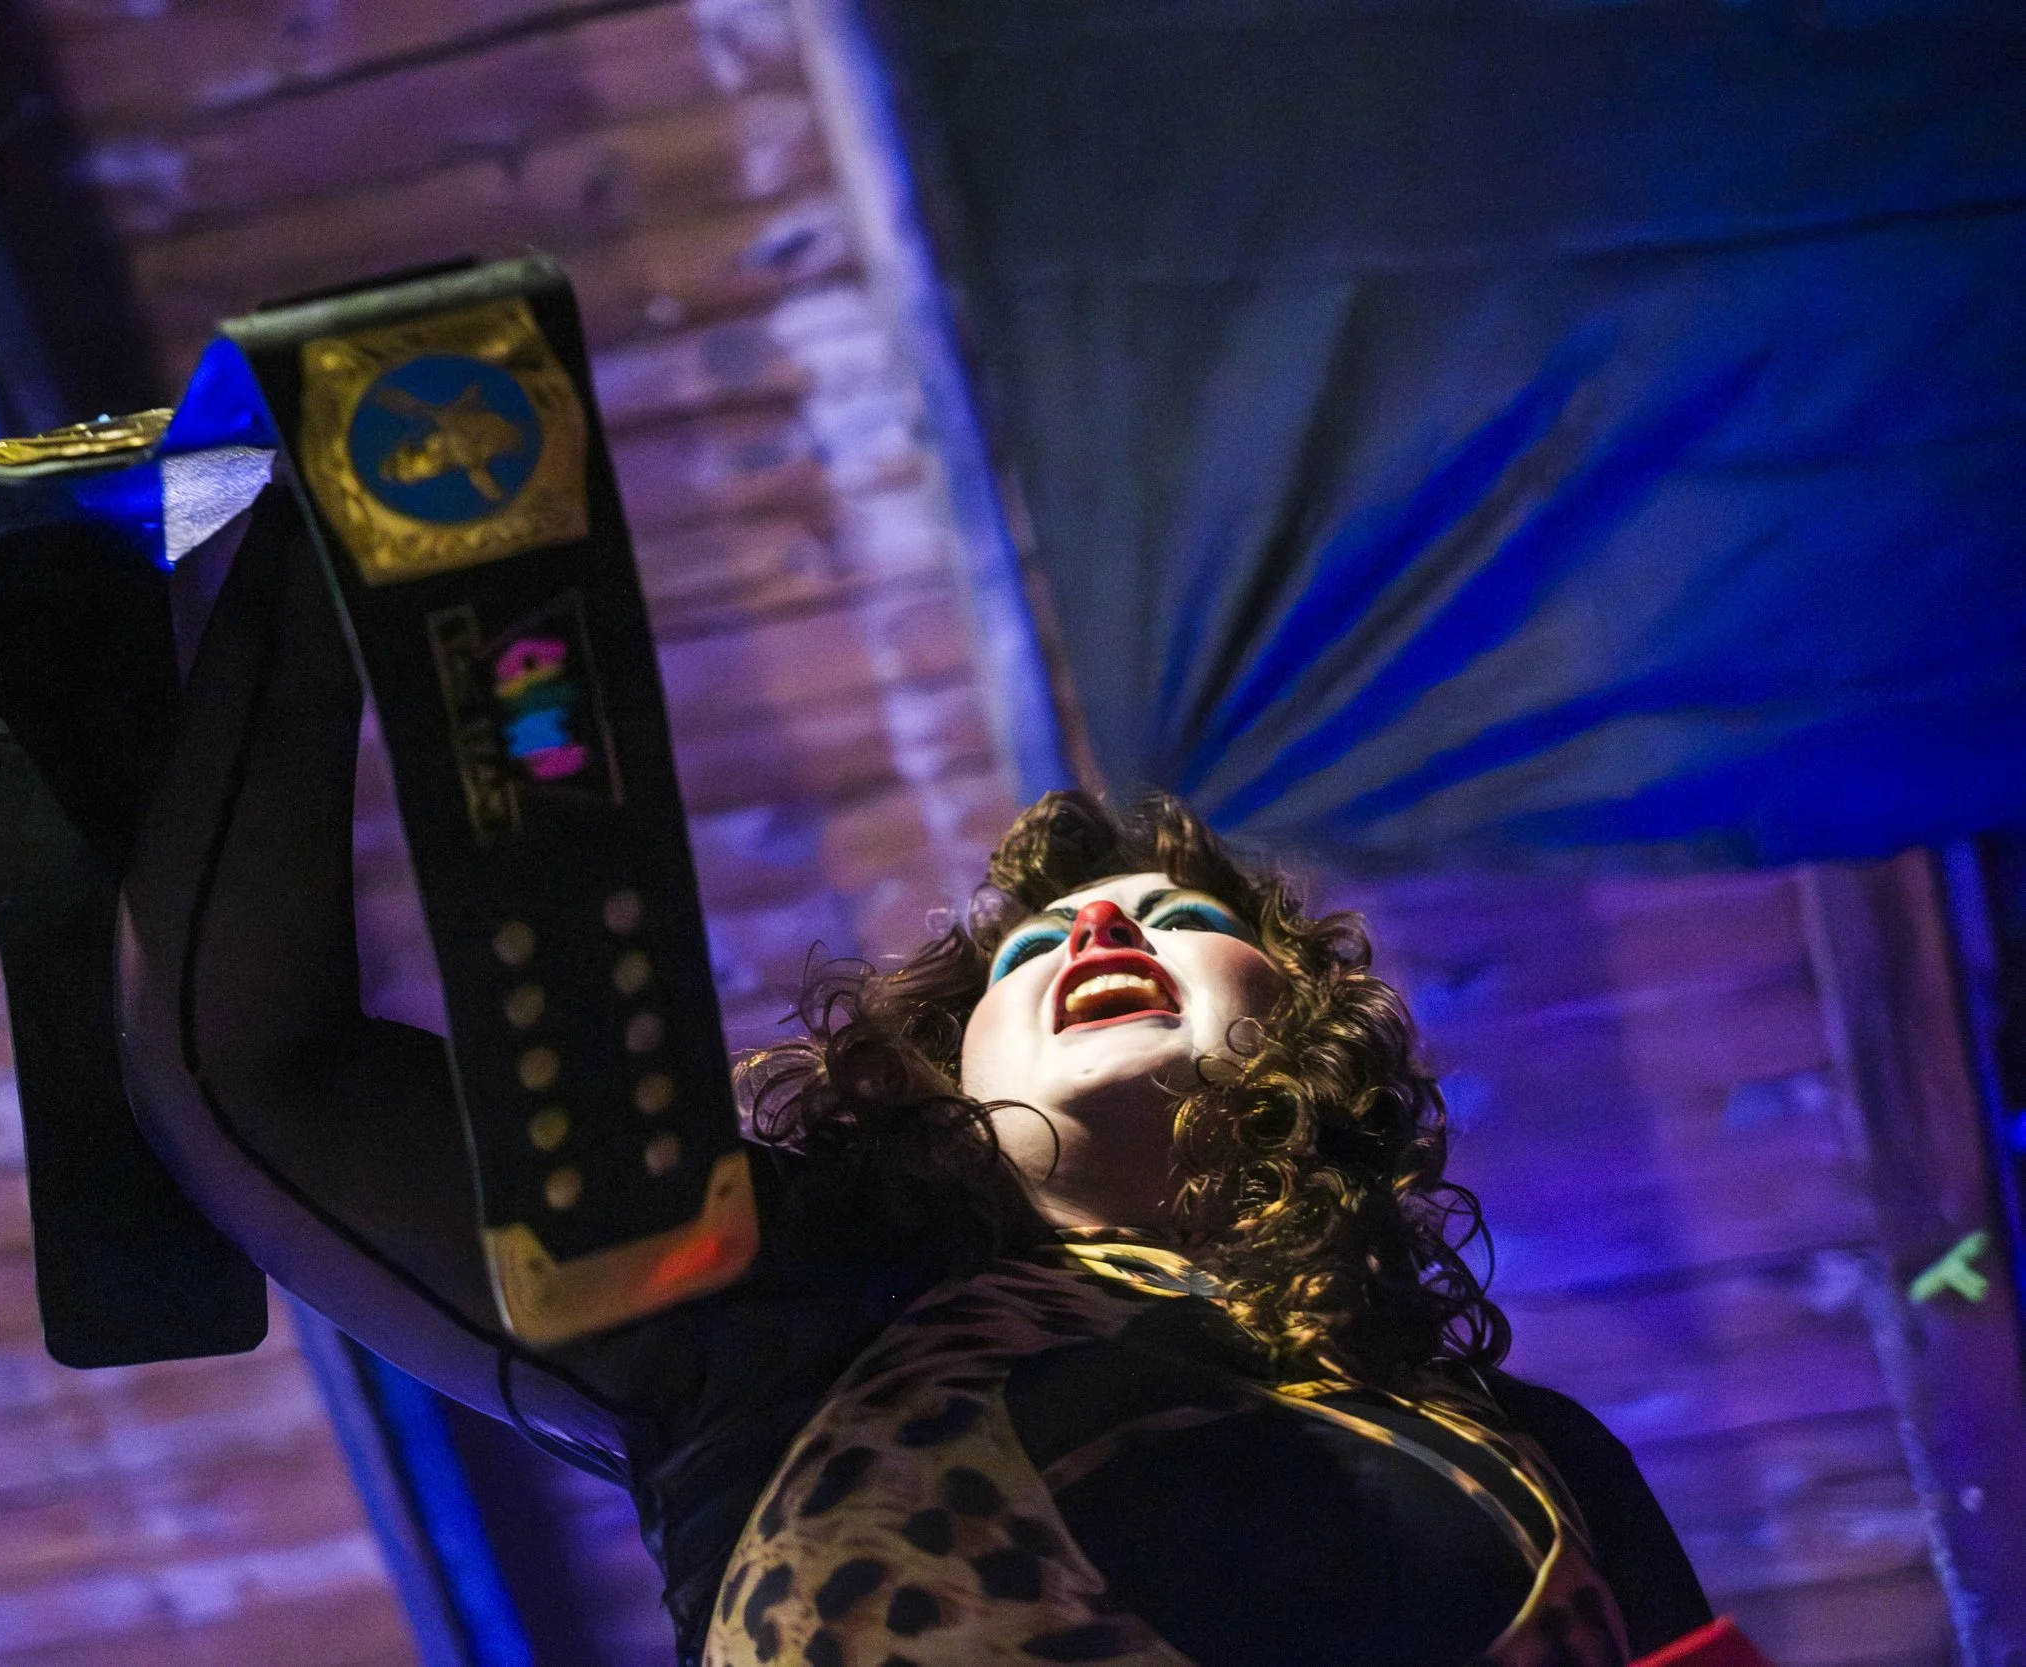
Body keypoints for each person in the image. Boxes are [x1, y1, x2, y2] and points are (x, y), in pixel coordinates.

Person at [88, 491, 1714, 1667]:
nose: (1091, 926)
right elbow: (260, 1074)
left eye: (1183, 916)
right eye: (1030, 945)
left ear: (1309, 1037)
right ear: (940, 1079)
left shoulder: (1533, 1442)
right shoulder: (787, 1301)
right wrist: (330, 539)